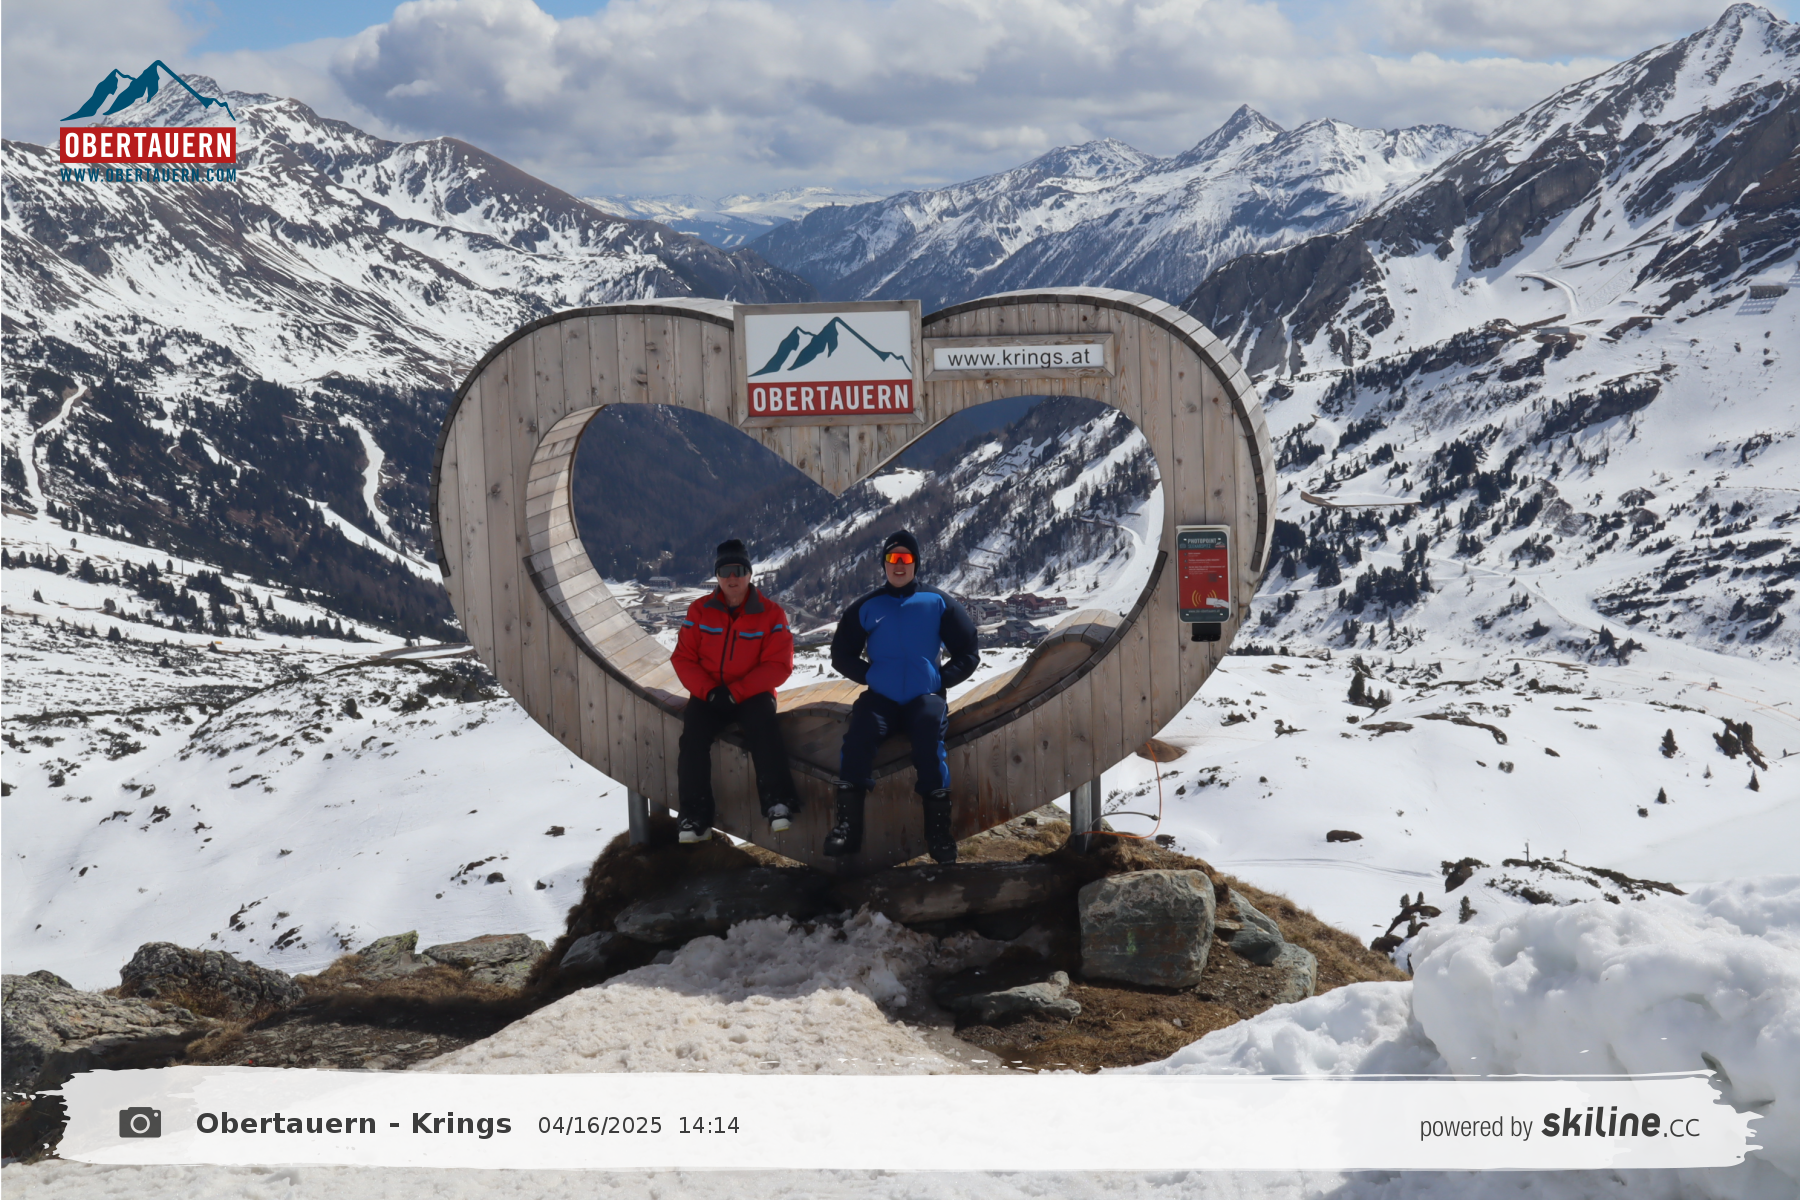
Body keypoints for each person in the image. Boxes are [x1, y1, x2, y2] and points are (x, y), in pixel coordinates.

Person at [826, 530, 979, 861]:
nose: (898, 565)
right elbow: (841, 654)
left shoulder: (937, 602)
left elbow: (968, 650)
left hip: (925, 698)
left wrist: (941, 679)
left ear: (915, 563)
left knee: (929, 743)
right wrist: (870, 676)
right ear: (884, 564)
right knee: (857, 739)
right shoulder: (867, 606)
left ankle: (939, 835)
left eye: (905, 558)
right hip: (881, 698)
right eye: (892, 558)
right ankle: (847, 830)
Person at [669, 539, 800, 844]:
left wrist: (737, 692)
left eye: (739, 570)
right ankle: (695, 816)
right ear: (716, 575)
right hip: (710, 693)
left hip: (752, 694)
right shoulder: (699, 611)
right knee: (692, 738)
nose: (732, 578)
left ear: (749, 574)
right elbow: (683, 658)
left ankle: (778, 803)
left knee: (764, 728)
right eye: (725, 571)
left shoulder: (771, 614)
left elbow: (779, 665)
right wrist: (709, 691)